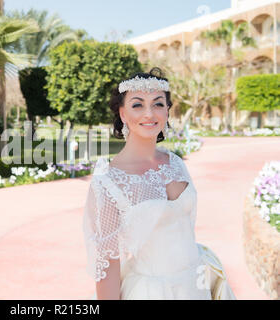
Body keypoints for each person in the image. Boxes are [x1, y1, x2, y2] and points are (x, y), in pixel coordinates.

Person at [82, 67, 236, 300]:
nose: (149, 113)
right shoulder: (109, 183)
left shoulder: (175, 163)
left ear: (166, 111)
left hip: (196, 285)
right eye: (137, 105)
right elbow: (107, 264)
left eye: (158, 104)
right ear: (122, 114)